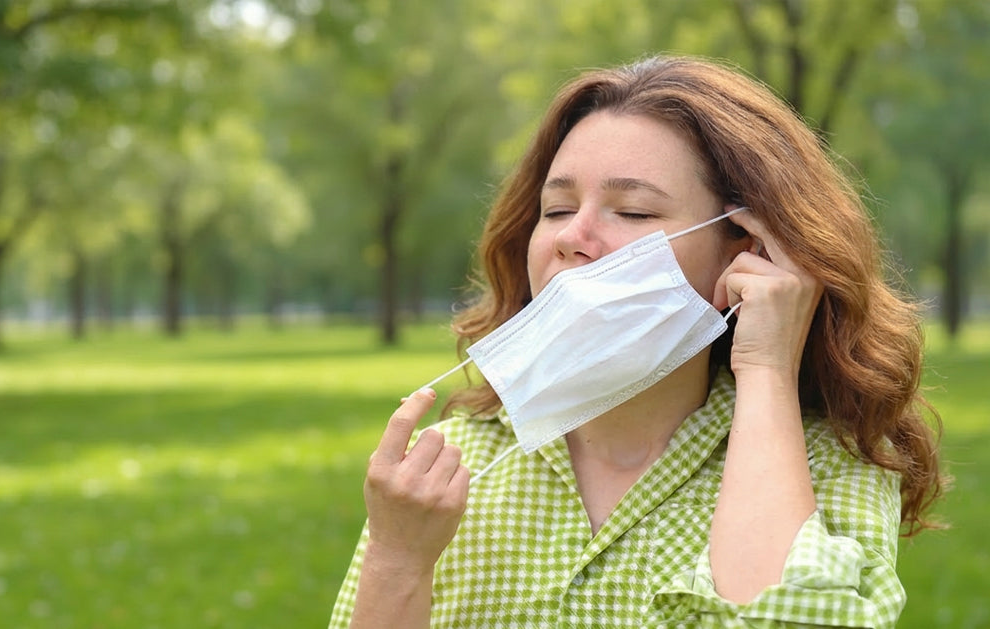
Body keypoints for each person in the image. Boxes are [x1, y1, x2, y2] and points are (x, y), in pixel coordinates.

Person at [328, 55, 944, 628]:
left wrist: (765, 369)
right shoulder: (444, 469)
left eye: (635, 212)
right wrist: (397, 560)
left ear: (749, 252)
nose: (575, 235)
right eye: (557, 208)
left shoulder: (825, 460)